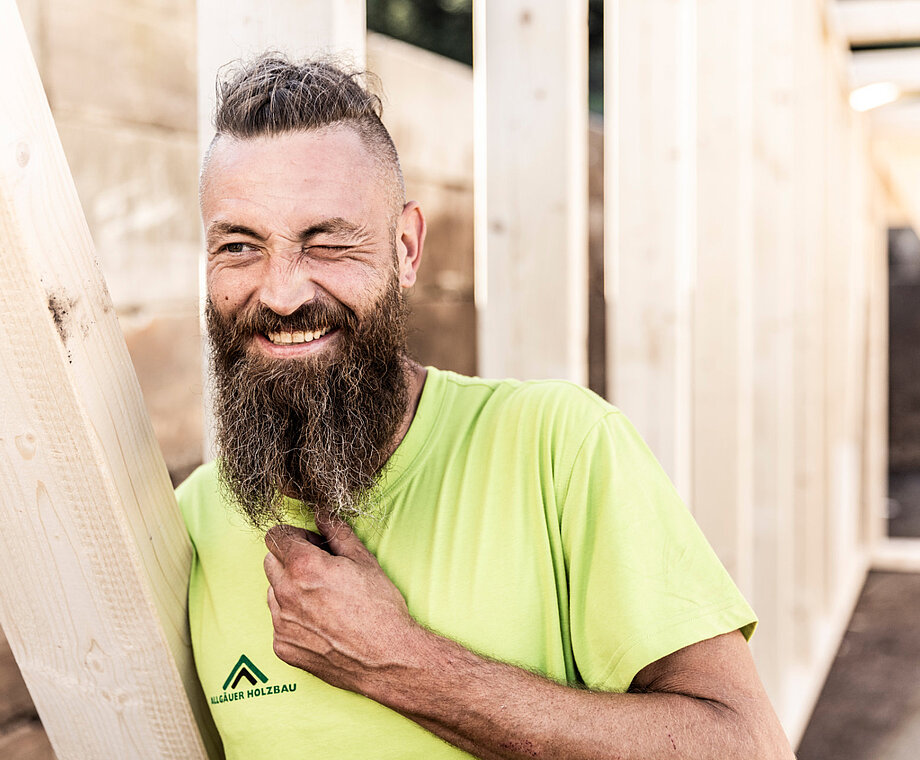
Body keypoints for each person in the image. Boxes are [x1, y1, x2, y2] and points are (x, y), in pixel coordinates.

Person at [177, 53, 795, 760]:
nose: (282, 293)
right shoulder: (185, 529)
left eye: (328, 243)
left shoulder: (558, 448)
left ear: (406, 249)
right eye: (239, 246)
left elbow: (750, 748)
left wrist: (403, 663)